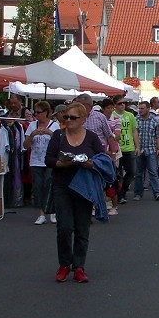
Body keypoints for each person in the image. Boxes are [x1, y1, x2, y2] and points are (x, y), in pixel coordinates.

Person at [45, 101, 104, 283]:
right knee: (64, 227)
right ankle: (64, 264)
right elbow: (48, 159)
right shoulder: (58, 135)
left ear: (83, 119)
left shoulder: (91, 137)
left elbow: (102, 159)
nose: (68, 120)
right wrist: (60, 163)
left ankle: (79, 266)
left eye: (72, 117)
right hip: (62, 185)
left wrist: (91, 163)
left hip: (84, 187)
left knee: (82, 228)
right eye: (66, 117)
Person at [24, 100, 59, 225]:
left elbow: (60, 144)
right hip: (36, 161)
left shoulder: (55, 126)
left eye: (39, 112)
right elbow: (25, 145)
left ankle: (52, 212)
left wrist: (50, 133)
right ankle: (41, 214)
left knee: (50, 185)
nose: (37, 115)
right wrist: (32, 134)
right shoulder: (32, 125)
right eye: (36, 112)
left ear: (46, 113)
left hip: (50, 161)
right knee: (38, 187)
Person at [134, 100, 159, 201]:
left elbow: (158, 136)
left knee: (153, 172)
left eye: (142, 108)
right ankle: (138, 193)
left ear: (148, 109)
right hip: (139, 149)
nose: (140, 110)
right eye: (139, 108)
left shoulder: (154, 120)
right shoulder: (136, 119)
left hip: (151, 149)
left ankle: (157, 193)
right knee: (138, 173)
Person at [112, 95, 139, 203]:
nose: (123, 105)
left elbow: (134, 131)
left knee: (132, 172)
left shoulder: (130, 115)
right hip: (118, 149)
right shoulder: (112, 116)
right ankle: (119, 195)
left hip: (129, 147)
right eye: (120, 103)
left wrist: (137, 146)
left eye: (124, 103)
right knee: (118, 173)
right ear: (115, 105)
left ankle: (122, 192)